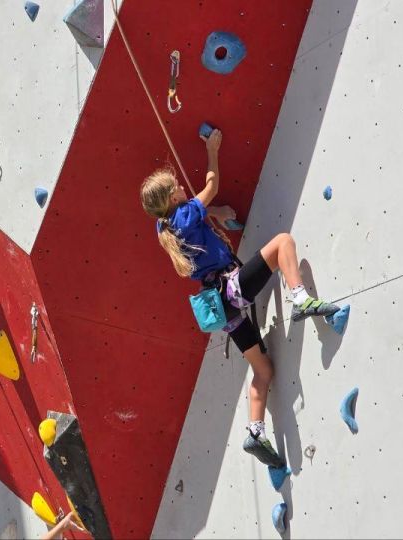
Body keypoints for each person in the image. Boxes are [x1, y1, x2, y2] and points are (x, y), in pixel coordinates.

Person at [139, 129, 340, 468]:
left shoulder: (165, 229)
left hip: (223, 309)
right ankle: (300, 298)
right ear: (172, 198)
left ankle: (256, 431)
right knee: (282, 243)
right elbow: (211, 185)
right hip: (231, 288)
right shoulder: (185, 213)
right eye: (175, 186)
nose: (179, 185)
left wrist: (213, 214)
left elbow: (197, 218)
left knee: (263, 370)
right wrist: (213, 150)